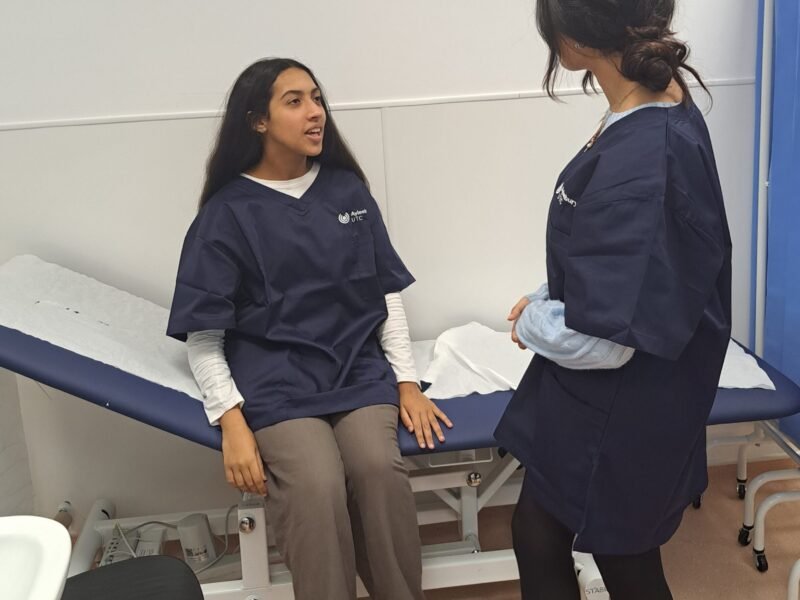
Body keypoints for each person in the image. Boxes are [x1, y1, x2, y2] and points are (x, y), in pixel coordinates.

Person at [166, 57, 451, 600]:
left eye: (316, 99)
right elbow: (204, 335)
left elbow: (383, 294)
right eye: (294, 101)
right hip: (277, 384)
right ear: (257, 121)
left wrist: (407, 382)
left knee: (378, 469)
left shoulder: (347, 193)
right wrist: (231, 422)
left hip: (355, 369)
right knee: (317, 486)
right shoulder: (226, 215)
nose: (315, 112)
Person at [495, 1, 732, 598]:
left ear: (573, 38)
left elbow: (604, 340)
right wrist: (550, 292)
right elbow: (622, 256)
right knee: (538, 532)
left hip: (620, 405)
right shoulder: (654, 103)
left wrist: (534, 321)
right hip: (604, 394)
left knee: (621, 557)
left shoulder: (644, 155)